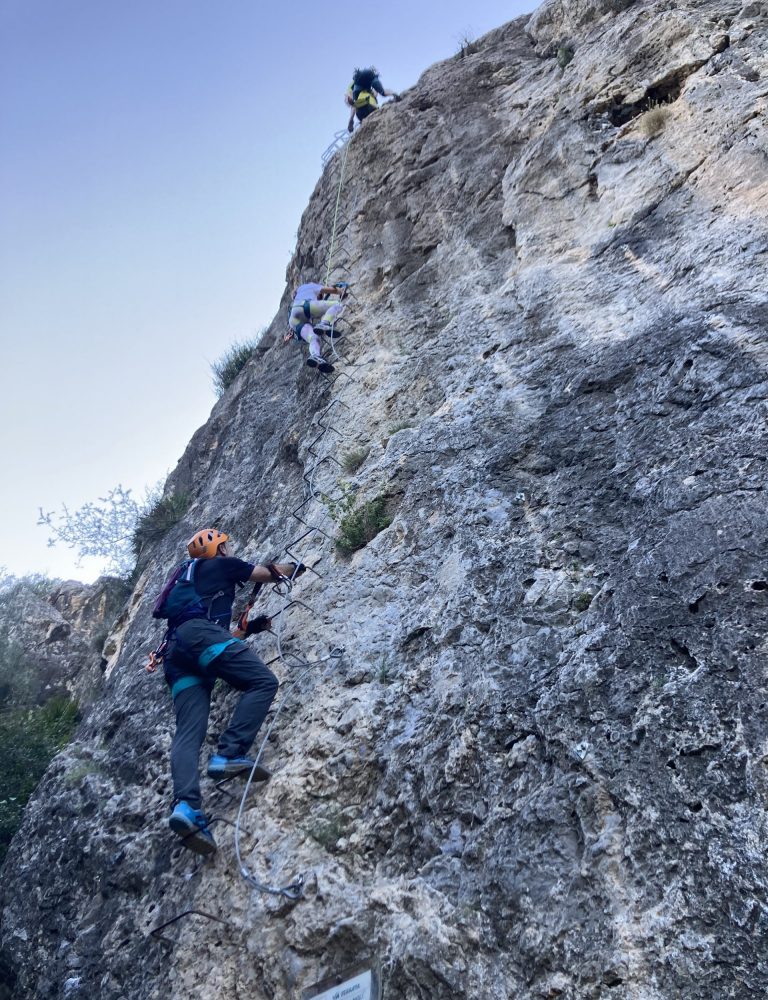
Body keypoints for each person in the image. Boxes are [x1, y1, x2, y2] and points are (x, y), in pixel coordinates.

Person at [157, 528, 303, 855]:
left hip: (177, 657)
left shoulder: (192, 582)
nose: (228, 548)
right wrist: (297, 567)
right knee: (263, 681)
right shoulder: (224, 565)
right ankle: (229, 753)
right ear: (220, 549)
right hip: (200, 638)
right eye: (226, 545)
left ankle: (186, 808)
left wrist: (251, 628)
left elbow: (223, 637)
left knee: (188, 734)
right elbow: (269, 573)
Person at [284, 281, 349, 374]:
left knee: (314, 338)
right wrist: (342, 290)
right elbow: (331, 290)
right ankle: (324, 324)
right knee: (337, 305)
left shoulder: (298, 293)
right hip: (305, 306)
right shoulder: (311, 285)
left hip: (294, 319)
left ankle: (315, 355)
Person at [345, 67, 398, 132]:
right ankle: (394, 94)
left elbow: (349, 95)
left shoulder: (353, 83)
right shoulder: (368, 83)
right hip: (370, 75)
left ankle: (351, 119)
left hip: (359, 78)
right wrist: (375, 95)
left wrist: (351, 101)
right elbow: (376, 92)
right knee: (383, 92)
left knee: (355, 103)